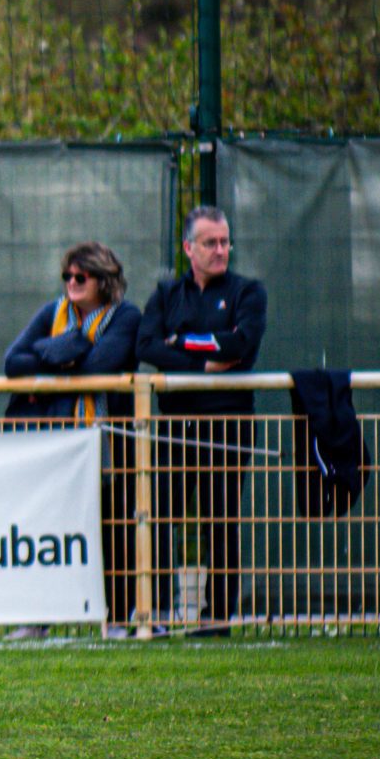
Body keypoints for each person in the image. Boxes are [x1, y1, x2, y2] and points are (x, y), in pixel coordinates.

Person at [135, 205, 268, 634]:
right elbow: (147, 345)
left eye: (225, 241)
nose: (220, 250)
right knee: (158, 517)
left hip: (227, 424)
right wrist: (203, 362)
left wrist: (182, 342)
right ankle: (157, 612)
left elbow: (241, 345)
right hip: (175, 425)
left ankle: (216, 617)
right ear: (188, 248)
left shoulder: (248, 292)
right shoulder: (167, 293)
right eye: (210, 242)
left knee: (220, 521)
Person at [2, 242, 141, 632]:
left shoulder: (125, 316)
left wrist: (48, 362)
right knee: (47, 527)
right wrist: (69, 350)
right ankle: (38, 619)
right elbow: (13, 362)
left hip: (107, 442)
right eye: (68, 275)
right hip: (54, 442)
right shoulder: (53, 313)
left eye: (82, 276)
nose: (72, 282)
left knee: (113, 527)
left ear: (104, 280)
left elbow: (99, 367)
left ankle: (117, 618)